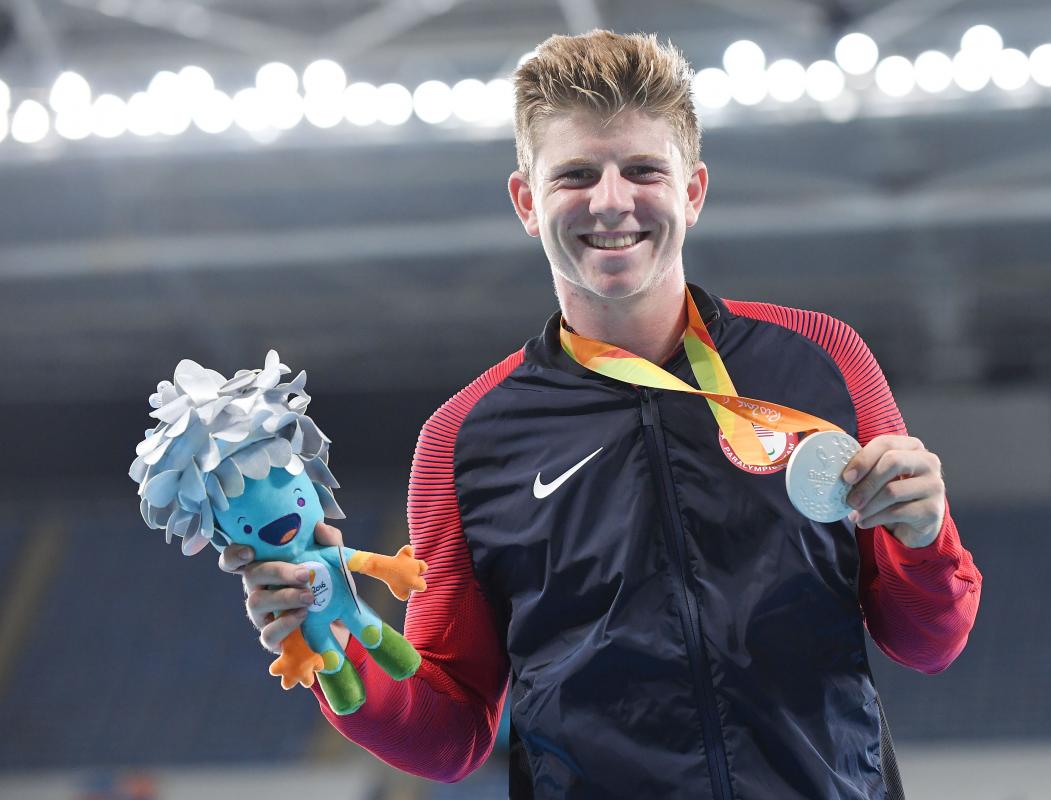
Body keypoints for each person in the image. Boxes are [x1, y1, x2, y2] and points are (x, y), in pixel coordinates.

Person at [220, 30, 981, 799]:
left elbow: (926, 643)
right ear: (526, 201)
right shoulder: (464, 440)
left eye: (643, 170)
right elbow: (450, 735)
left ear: (693, 190)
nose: (611, 200)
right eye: (576, 174)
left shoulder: (822, 359)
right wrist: (334, 651)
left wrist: (923, 535)